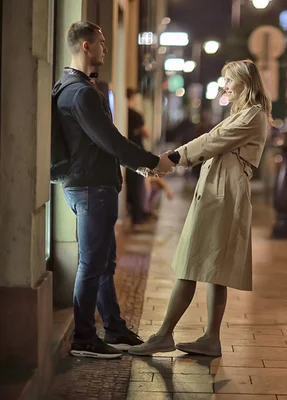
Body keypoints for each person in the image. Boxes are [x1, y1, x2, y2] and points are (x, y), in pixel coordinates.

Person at [129, 59, 272, 356]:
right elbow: (212, 142)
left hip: (224, 196)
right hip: (219, 194)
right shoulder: (243, 113)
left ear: (246, 82)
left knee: (191, 262)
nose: (225, 85)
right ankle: (210, 338)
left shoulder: (253, 116)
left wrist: (172, 158)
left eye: (229, 80)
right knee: (211, 267)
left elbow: (212, 141)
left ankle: (164, 334)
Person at [55, 21, 175, 359]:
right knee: (92, 264)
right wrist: (154, 162)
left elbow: (105, 143)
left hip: (92, 184)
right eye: (102, 42)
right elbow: (111, 141)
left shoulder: (76, 86)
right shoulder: (79, 92)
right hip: (91, 187)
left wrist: (141, 165)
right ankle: (83, 337)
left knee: (104, 262)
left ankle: (115, 328)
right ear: (86, 47)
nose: (106, 48)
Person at [125, 87, 152, 225]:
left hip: (125, 153)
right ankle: (137, 215)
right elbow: (147, 133)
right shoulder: (136, 115)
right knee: (137, 185)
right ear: (132, 98)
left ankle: (131, 212)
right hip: (137, 153)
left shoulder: (120, 114)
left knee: (129, 184)